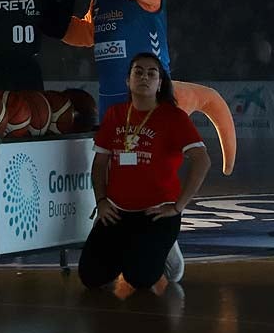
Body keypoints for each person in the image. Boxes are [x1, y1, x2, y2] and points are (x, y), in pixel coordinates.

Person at [78, 53, 211, 291]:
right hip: (117, 211)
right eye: (138, 72)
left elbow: (202, 161)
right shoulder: (115, 115)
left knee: (140, 279)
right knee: (90, 277)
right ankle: (135, 248)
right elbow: (99, 164)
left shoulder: (174, 118)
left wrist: (178, 207)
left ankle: (165, 246)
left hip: (157, 213)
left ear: (160, 83)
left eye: (152, 73)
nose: (144, 77)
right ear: (127, 80)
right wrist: (101, 201)